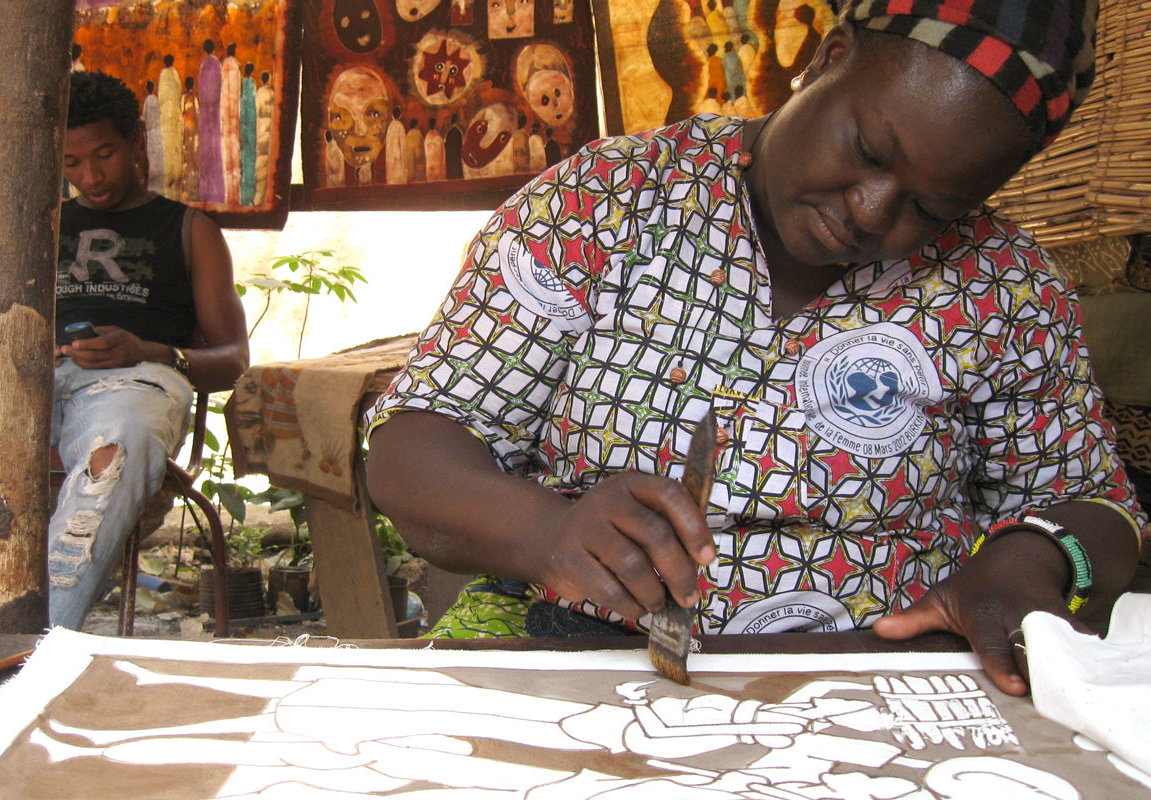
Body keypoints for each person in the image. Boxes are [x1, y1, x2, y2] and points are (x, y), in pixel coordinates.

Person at [364, 0, 1147, 697]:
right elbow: (417, 441)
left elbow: (1099, 509)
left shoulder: (1006, 286)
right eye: (871, 151)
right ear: (830, 56)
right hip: (592, 661)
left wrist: (1033, 562)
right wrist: (543, 532)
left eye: (932, 207)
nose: (872, 213)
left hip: (884, 682)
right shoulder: (605, 202)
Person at [0, 70, 249, 630]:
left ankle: (32, 642)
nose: (91, 176)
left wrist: (149, 349)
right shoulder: (39, 223)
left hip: (135, 383)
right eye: (71, 162)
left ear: (137, 142)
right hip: (31, 377)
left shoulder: (189, 230)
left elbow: (233, 358)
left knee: (122, 442)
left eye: (105, 154)